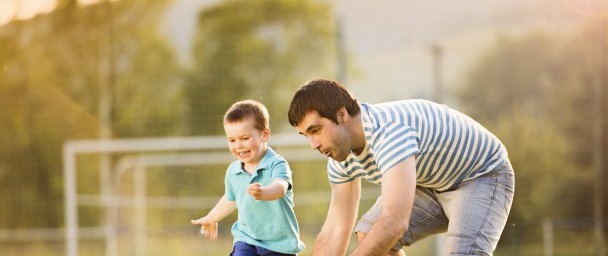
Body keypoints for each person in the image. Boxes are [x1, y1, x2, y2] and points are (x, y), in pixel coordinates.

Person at [287, 79, 514, 256]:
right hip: (431, 183)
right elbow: (335, 229)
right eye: (306, 135)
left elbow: (395, 221)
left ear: (342, 114)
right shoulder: (339, 157)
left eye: (315, 130)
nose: (313, 145)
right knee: (370, 234)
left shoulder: (389, 133)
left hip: (482, 175)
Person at [191, 100, 305, 256]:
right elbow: (230, 199)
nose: (238, 145)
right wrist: (212, 217)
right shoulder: (233, 171)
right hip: (246, 239)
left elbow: (281, 186)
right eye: (232, 140)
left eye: (245, 138)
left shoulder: (276, 163)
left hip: (279, 244)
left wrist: (264, 193)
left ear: (264, 135)